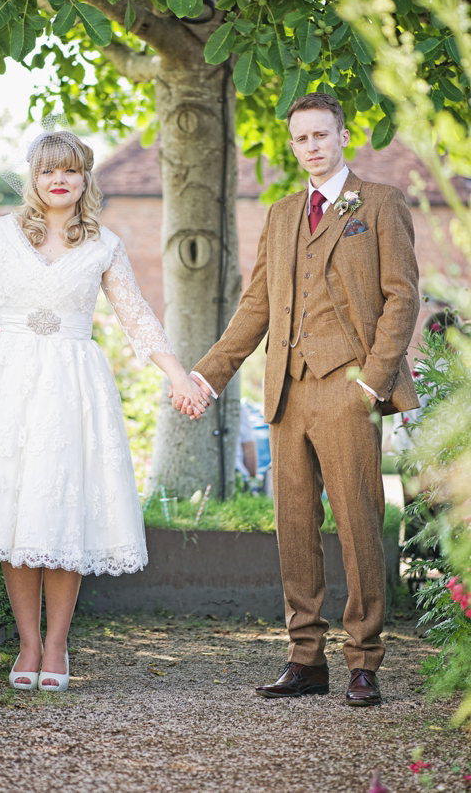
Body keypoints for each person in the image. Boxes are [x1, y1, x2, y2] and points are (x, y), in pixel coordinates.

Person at [0, 129, 207, 692]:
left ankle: (57, 644)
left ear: (84, 178)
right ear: (33, 176)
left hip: (74, 386)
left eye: (69, 170)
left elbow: (138, 317)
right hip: (10, 384)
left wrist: (177, 376)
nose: (58, 180)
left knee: (62, 512)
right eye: (48, 170)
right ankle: (27, 643)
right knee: (16, 512)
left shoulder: (105, 245)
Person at [173, 93, 420, 706]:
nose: (311, 146)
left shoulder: (381, 203)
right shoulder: (283, 215)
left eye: (320, 134)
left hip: (348, 386)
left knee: (359, 523)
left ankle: (364, 660)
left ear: (342, 135)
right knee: (294, 526)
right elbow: (256, 305)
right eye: (300, 138)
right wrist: (209, 375)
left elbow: (402, 298)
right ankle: (305, 658)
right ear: (293, 145)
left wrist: (373, 382)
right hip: (285, 389)